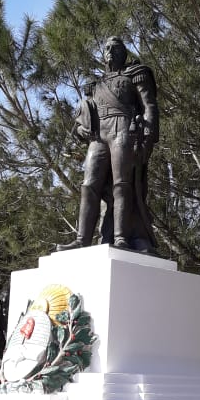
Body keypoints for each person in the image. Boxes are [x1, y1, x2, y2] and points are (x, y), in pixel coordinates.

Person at [57, 36, 159, 253]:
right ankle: (82, 239)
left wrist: (148, 136)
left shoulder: (136, 74)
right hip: (98, 135)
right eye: (107, 48)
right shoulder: (95, 85)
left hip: (123, 127)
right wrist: (79, 130)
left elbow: (149, 105)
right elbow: (85, 116)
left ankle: (121, 238)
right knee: (89, 185)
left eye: (115, 48)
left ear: (124, 53)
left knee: (121, 184)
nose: (110, 51)